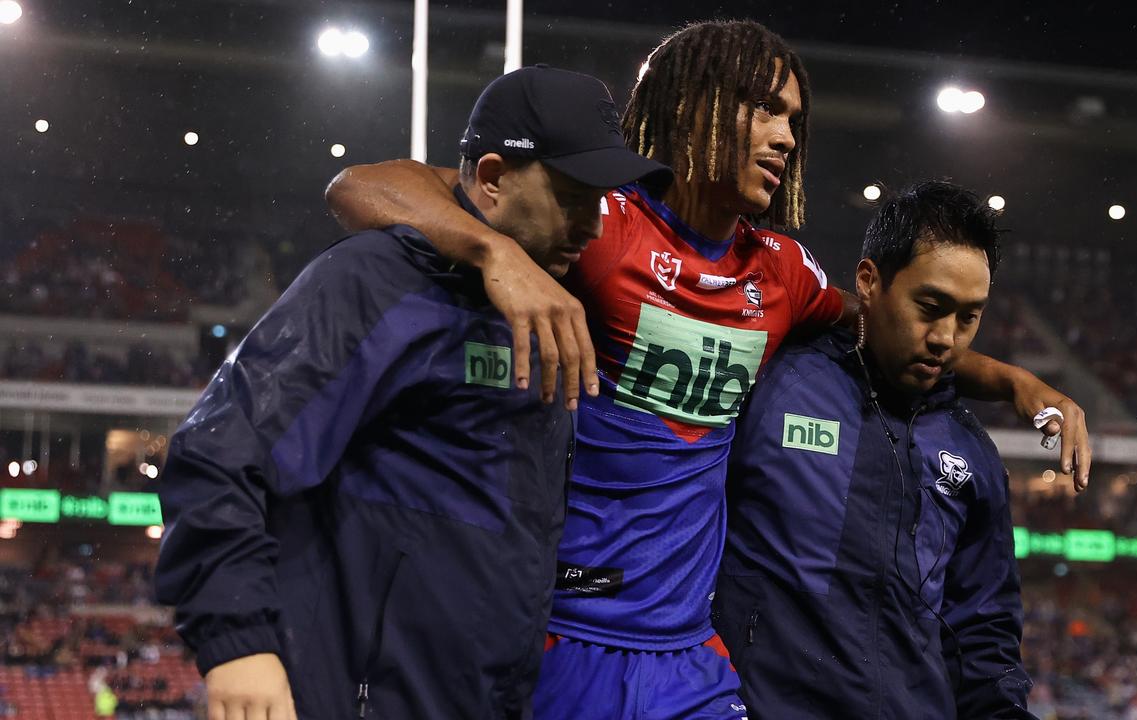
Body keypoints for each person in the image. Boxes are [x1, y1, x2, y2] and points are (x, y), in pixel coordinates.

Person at [326, 20, 1088, 719]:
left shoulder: (782, 274)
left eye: (793, 117)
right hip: (563, 628)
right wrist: (498, 255)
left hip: (690, 654)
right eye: (762, 109)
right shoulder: (602, 228)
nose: (786, 135)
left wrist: (1021, 385)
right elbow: (360, 187)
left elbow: (900, 328)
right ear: (694, 108)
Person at [153, 66, 671, 720]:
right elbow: (217, 453)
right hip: (355, 693)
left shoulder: (551, 300)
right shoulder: (377, 282)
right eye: (572, 198)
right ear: (490, 179)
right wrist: (237, 641)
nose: (595, 228)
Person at [714, 181, 1034, 718]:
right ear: (868, 282)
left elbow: (983, 635)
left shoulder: (972, 454)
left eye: (969, 317)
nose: (945, 338)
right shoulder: (772, 385)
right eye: (930, 307)